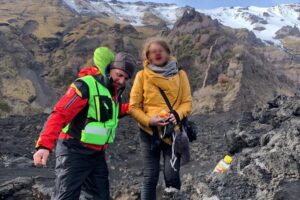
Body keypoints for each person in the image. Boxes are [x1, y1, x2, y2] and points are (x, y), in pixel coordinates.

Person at [33, 47, 136, 200]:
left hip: (96, 155)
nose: (121, 81)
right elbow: (60, 114)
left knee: (100, 197)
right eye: (119, 75)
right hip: (73, 151)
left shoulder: (113, 91)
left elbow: (110, 113)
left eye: (126, 78)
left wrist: (132, 108)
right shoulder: (85, 85)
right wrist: (44, 146)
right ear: (110, 69)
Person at [129, 38, 192, 200]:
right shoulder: (142, 76)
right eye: (152, 51)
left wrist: (177, 115)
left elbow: (187, 102)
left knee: (171, 176)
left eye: (160, 50)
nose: (157, 53)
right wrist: (150, 121)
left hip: (173, 133)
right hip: (149, 133)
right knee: (150, 176)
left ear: (168, 53)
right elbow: (133, 107)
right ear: (148, 57)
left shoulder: (180, 74)